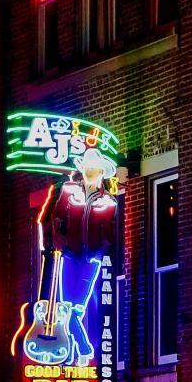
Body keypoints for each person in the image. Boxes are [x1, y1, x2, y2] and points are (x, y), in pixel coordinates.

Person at [37, 150, 118, 364]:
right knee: (67, 309)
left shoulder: (108, 202)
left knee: (75, 309)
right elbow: (56, 216)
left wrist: (98, 254)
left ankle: (77, 350)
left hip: (90, 261)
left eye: (95, 168)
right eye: (88, 167)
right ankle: (81, 349)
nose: (91, 171)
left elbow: (109, 235)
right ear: (83, 169)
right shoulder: (69, 191)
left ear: (101, 172)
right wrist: (57, 237)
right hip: (69, 256)